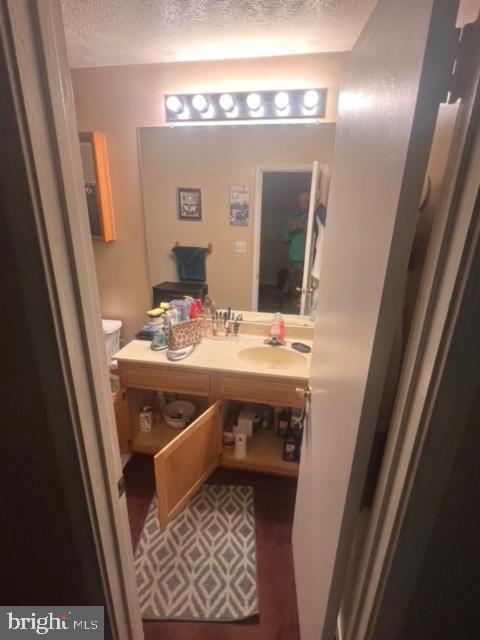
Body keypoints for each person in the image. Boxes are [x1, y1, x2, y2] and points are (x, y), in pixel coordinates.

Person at [282, 192, 310, 303]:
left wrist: (304, 228)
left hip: (304, 257)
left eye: (305, 202)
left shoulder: (311, 217)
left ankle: (299, 304)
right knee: (292, 281)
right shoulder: (295, 218)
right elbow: (286, 239)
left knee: (301, 283)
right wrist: (290, 229)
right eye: (300, 202)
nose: (302, 204)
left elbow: (315, 236)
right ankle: (292, 303)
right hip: (293, 255)